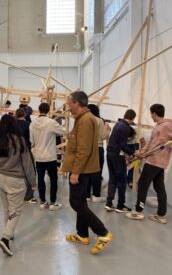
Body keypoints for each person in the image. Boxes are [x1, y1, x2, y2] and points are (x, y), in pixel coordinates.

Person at [63, 91, 113, 255]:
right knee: (81, 202)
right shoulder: (85, 118)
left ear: (77, 103)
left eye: (70, 102)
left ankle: (103, 233)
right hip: (85, 168)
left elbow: (83, 150)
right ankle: (82, 234)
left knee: (76, 202)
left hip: (81, 169)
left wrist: (75, 171)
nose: (68, 106)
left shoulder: (85, 120)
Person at [126, 104, 172, 224]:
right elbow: (150, 143)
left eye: (151, 114)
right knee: (159, 187)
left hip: (156, 162)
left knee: (142, 184)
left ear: (154, 113)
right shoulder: (157, 127)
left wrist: (167, 144)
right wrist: (142, 152)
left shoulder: (167, 126)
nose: (151, 116)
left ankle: (138, 212)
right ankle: (161, 215)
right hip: (152, 159)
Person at [0, 114, 36, 256]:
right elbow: (27, 163)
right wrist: (33, 182)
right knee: (15, 210)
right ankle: (5, 238)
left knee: (7, 209)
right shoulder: (20, 141)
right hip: (15, 180)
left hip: (0, 177)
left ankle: (9, 234)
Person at [30, 102, 65, 210]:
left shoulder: (33, 123)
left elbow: (31, 141)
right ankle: (53, 203)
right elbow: (63, 131)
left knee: (40, 179)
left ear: (39, 110)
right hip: (50, 156)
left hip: (39, 156)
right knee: (53, 180)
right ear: (48, 110)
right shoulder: (51, 122)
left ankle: (43, 201)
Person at [105, 109, 137, 213]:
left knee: (113, 178)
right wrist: (133, 152)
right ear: (133, 118)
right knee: (122, 180)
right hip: (116, 155)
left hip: (109, 153)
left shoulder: (118, 124)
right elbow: (122, 145)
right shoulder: (126, 127)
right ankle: (120, 205)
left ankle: (109, 203)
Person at [86, 104, 111, 203]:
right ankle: (96, 195)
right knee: (96, 172)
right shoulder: (99, 120)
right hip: (97, 148)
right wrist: (108, 129)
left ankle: (86, 195)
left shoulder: (84, 120)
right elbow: (103, 135)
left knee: (87, 172)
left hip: (87, 148)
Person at [15, 109, 35, 203]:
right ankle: (28, 196)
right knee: (29, 172)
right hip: (25, 150)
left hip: (14, 151)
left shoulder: (12, 124)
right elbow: (31, 139)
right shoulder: (28, 124)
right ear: (25, 114)